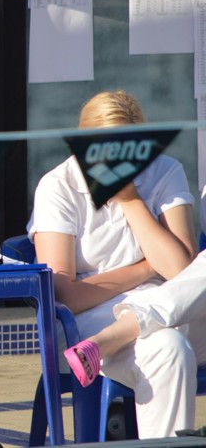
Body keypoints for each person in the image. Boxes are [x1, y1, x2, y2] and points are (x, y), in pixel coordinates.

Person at [29, 90, 204, 438]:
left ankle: (125, 328)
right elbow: (65, 294)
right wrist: (147, 268)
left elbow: (180, 271)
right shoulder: (58, 186)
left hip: (177, 314)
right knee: (169, 349)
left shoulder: (165, 171)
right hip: (87, 324)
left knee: (172, 338)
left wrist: (130, 199)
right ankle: (124, 329)